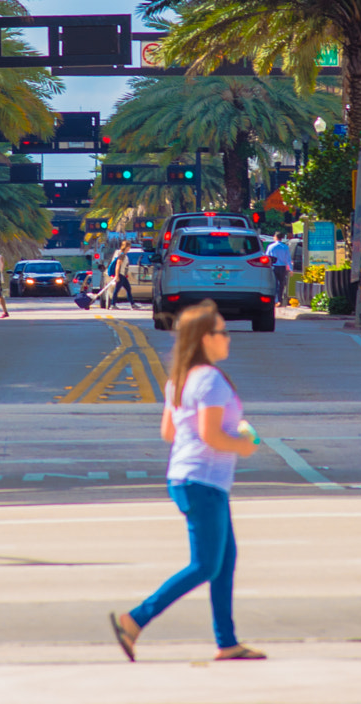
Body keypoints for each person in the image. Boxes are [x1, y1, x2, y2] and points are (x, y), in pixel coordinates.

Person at [109, 301, 265, 663]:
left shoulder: (179, 378)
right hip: (202, 480)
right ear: (204, 338)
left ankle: (227, 642)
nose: (229, 338)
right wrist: (244, 442)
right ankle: (134, 619)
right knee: (206, 565)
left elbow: (169, 431)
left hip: (189, 477)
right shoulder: (208, 379)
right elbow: (211, 435)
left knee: (224, 561)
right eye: (223, 332)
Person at [264, 232, 293, 306]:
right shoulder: (285, 247)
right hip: (282, 267)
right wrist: (291, 269)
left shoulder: (271, 246)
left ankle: (275, 300)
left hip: (274, 267)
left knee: (274, 284)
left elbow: (267, 257)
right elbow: (288, 259)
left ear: (276, 237)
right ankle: (280, 299)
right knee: (282, 284)